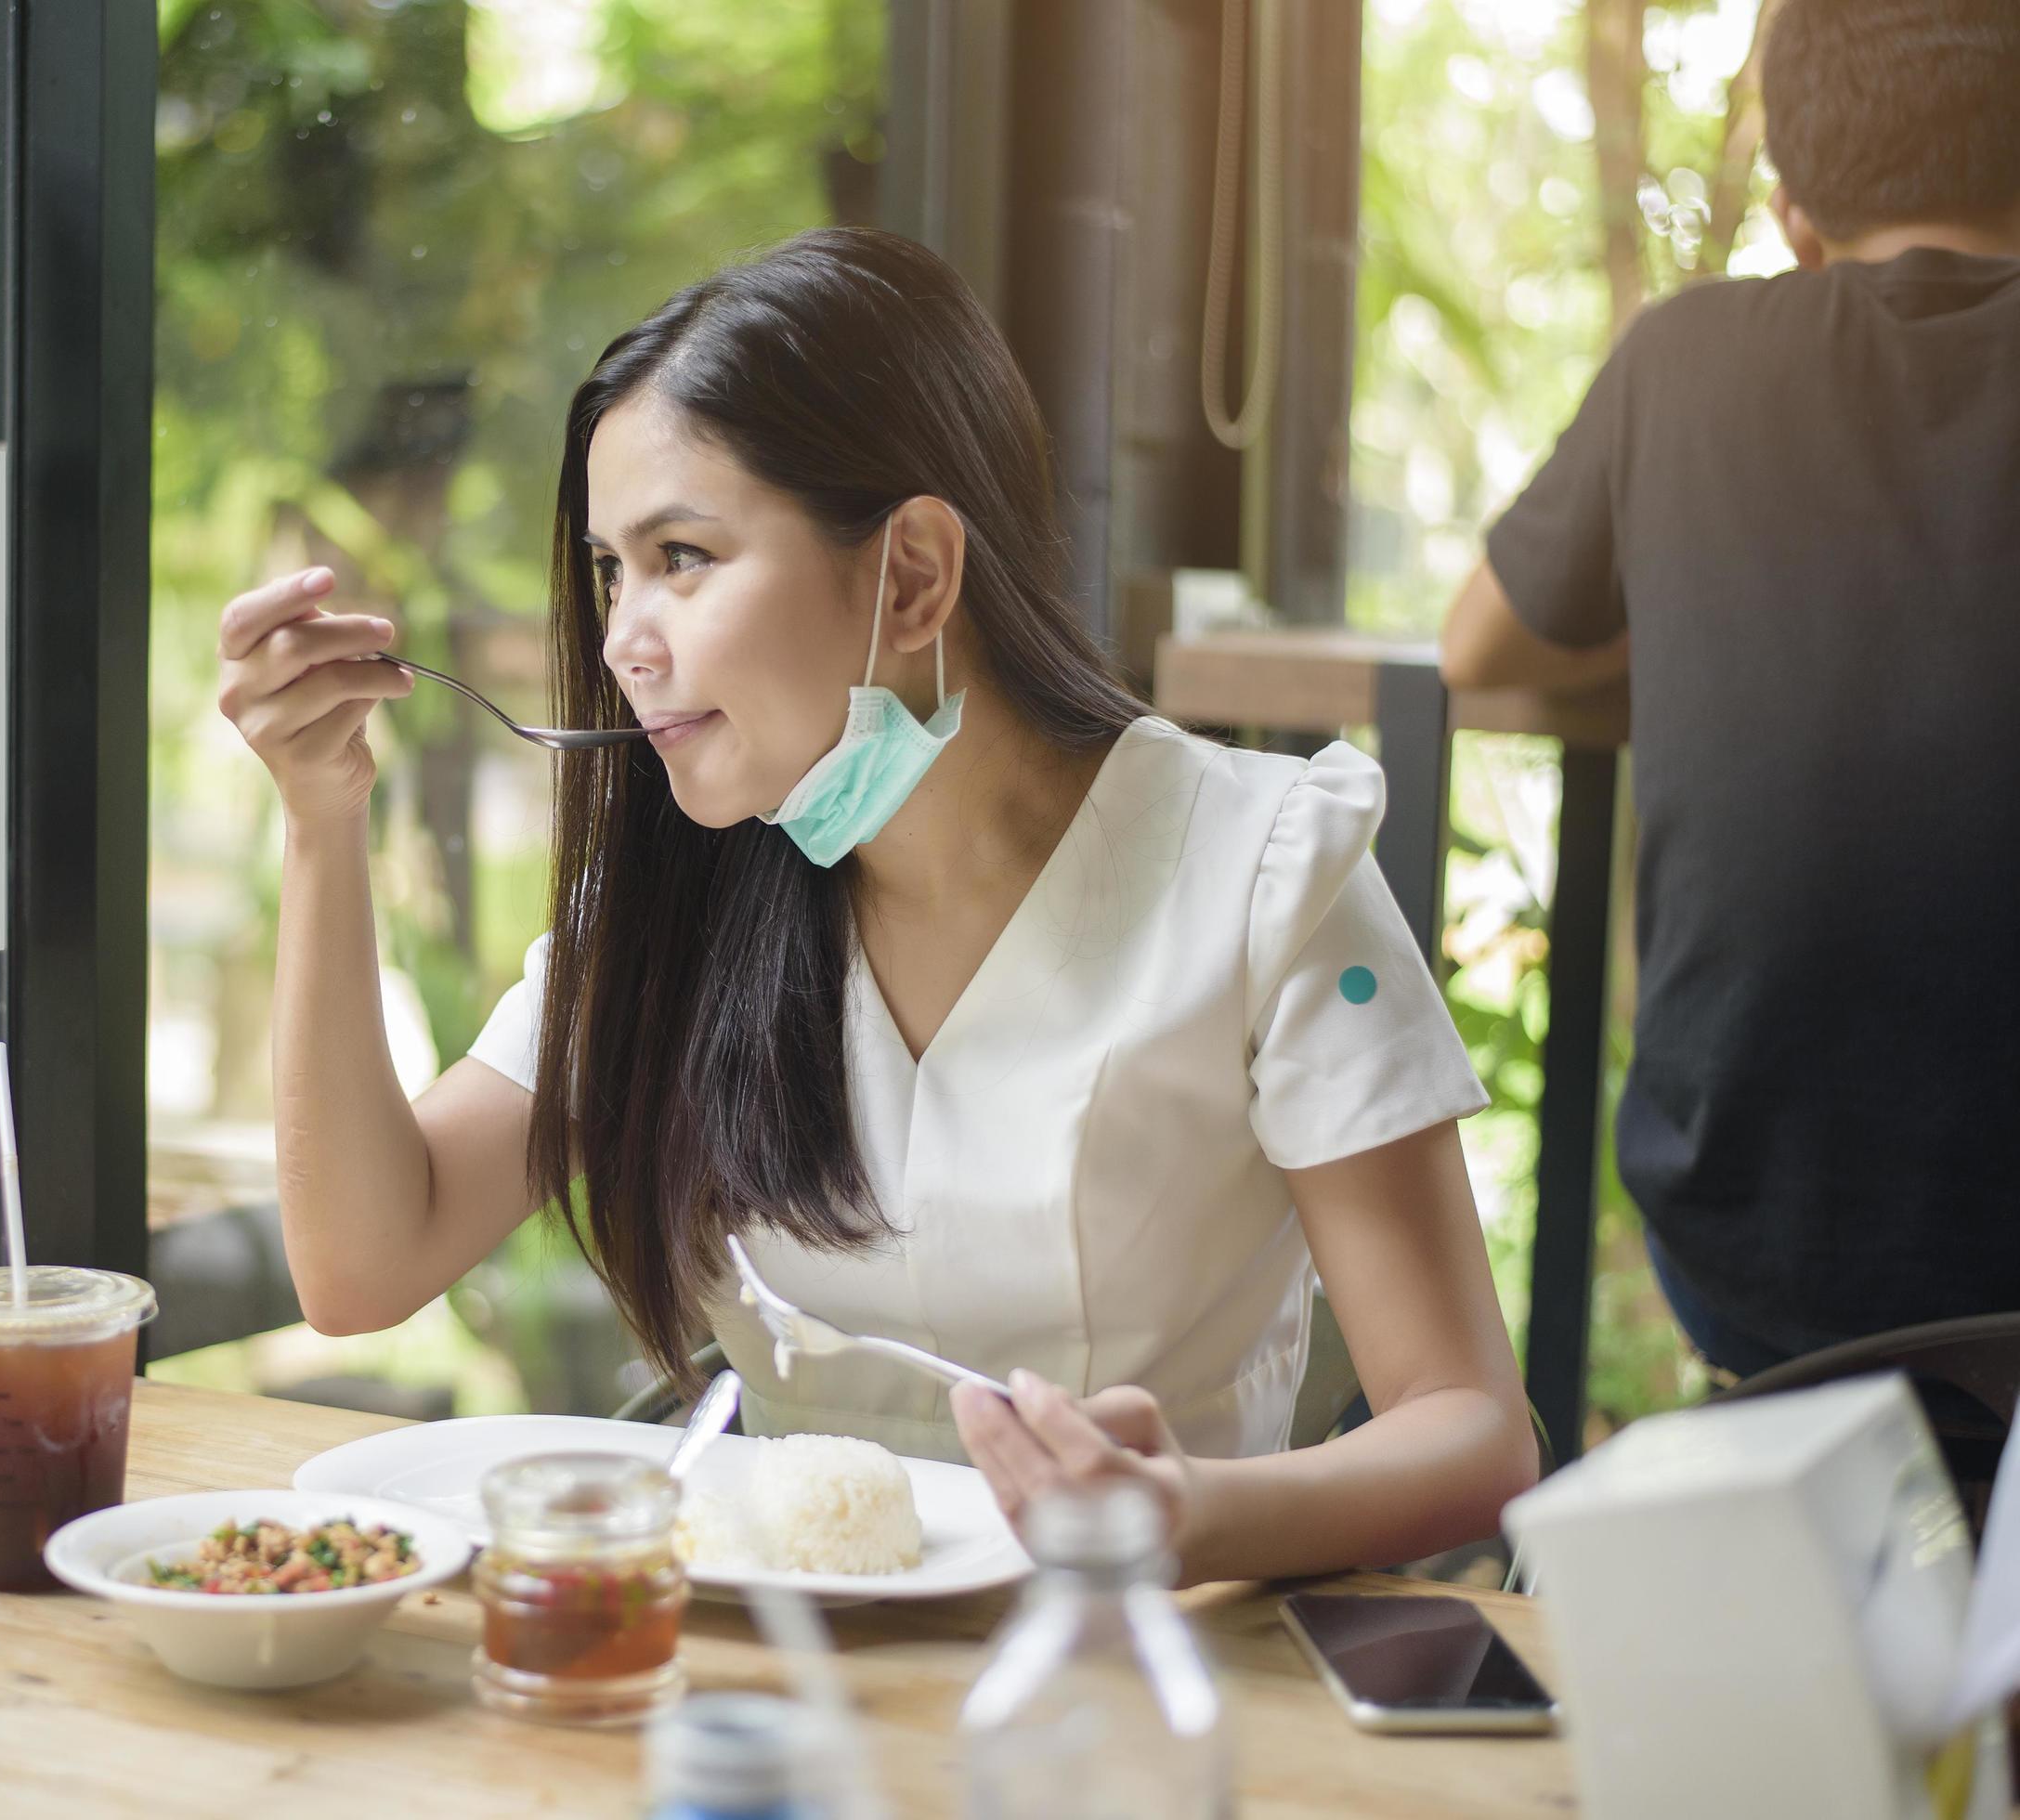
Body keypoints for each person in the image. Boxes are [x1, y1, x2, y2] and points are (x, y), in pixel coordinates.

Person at [222, 227, 1535, 1584]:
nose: (622, 638)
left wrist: (1187, 1516)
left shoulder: (1266, 872)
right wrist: (323, 823)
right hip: (763, 1680)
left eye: (683, 556)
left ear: (911, 574)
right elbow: (363, 1266)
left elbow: (1470, 1430)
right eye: (612, 569)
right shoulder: (680, 903)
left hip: (1132, 1671)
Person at [1440, 0, 2020, 1379]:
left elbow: (1477, 649)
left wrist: (1713, 605)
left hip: (1762, 1252)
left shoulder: (1687, 358)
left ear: (1795, 212)